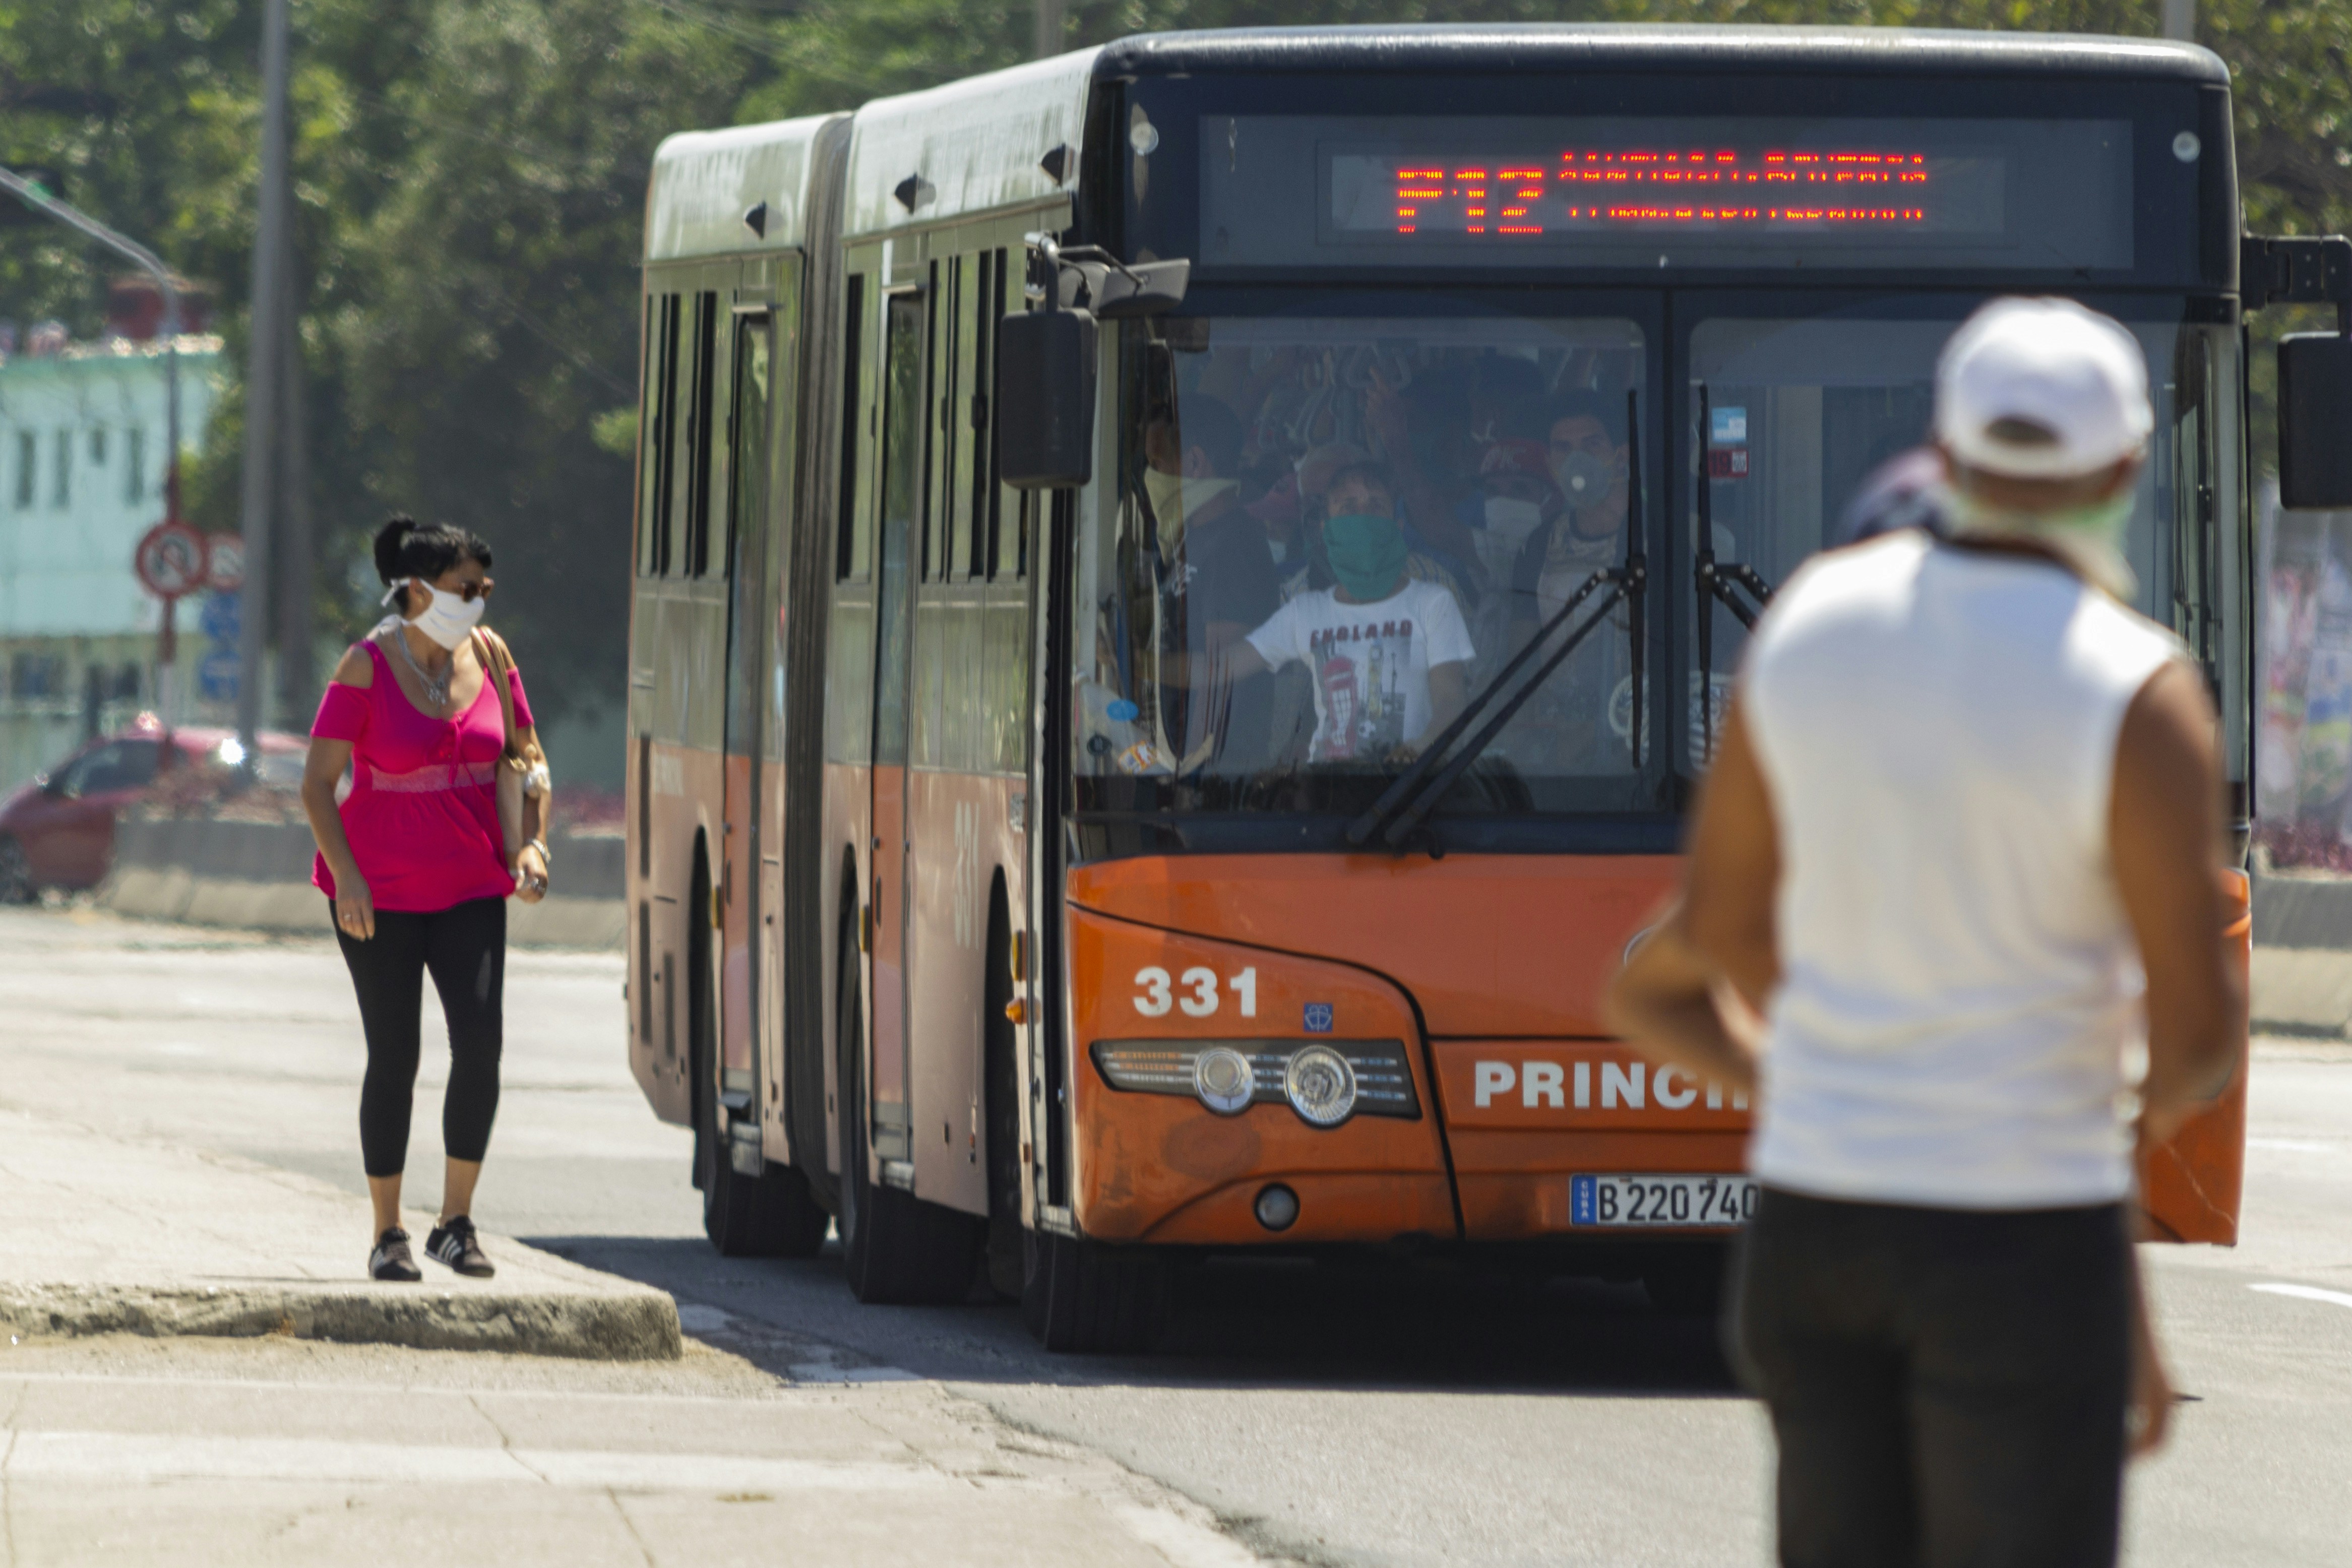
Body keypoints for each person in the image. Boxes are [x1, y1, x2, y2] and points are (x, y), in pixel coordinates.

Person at [1604, 298, 2243, 1567]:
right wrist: (2115, 1119)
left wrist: (1822, 1079)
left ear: (1944, 458)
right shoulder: (2136, 686)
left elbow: (1719, 926)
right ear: (2123, 469)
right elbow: (2197, 1033)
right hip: (2015, 1236)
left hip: (1816, 1224)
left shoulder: (1809, 625)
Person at [300, 516, 552, 1284]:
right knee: (396, 1053)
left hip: (472, 881)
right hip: (376, 892)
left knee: (480, 1046)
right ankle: (387, 1231)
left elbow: (527, 755)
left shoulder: (494, 655)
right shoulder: (364, 667)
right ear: (416, 590)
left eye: (484, 589)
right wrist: (346, 874)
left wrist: (534, 840)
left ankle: (456, 1220)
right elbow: (316, 783)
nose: (476, 601)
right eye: (462, 588)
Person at [1225, 463, 1474, 763]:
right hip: (1328, 791)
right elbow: (1238, 677)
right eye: (1345, 505)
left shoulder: (1433, 588)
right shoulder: (1297, 599)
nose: (1362, 519)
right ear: (1320, 521)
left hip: (1409, 787)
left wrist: (1419, 750)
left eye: (1375, 505)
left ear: (1398, 524)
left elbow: (1453, 698)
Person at [1140, 397, 1281, 772]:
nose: (1151, 477)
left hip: (1220, 769)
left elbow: (1220, 676)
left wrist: (1196, 770)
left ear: (1196, 463)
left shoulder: (1236, 545)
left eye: (1158, 465)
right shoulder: (1192, 540)